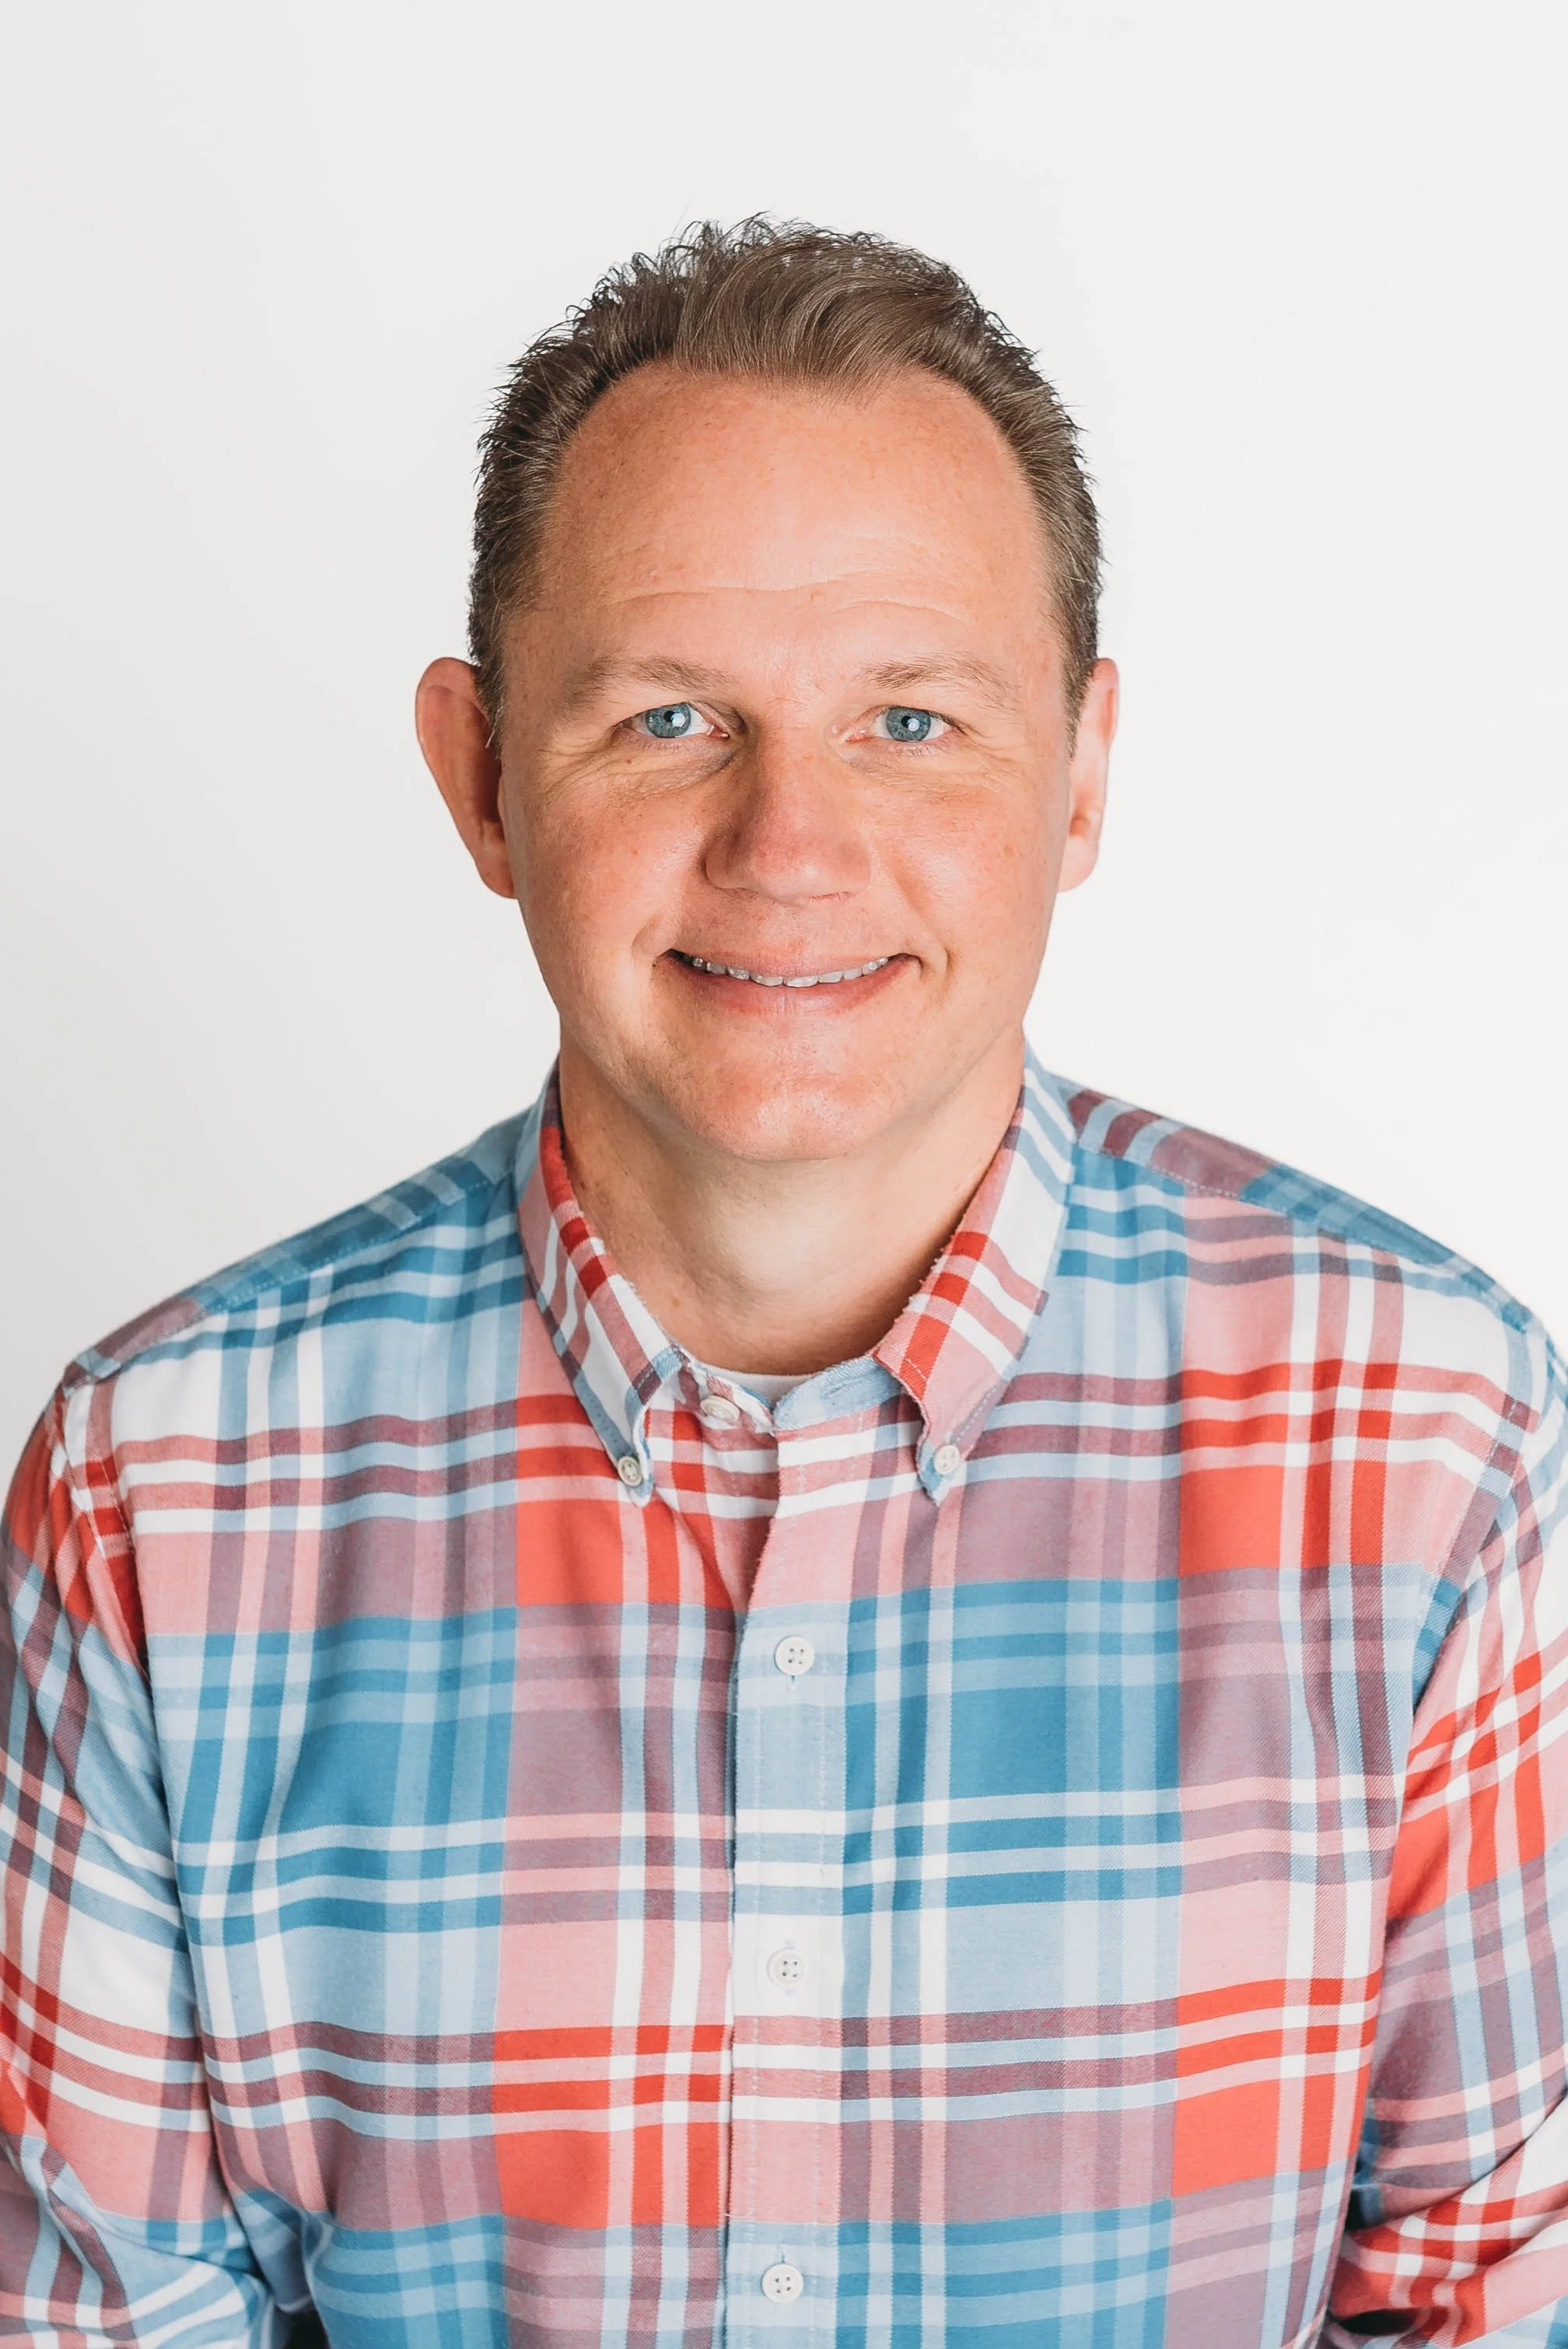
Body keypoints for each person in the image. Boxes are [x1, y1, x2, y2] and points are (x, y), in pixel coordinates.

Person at [2, 218, 1565, 2349]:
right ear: (478, 776)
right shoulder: (155, 1493)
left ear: (1086, 766)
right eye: (667, 717)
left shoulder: (1438, 1449)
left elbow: (1500, 2296)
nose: (791, 842)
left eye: (912, 717)